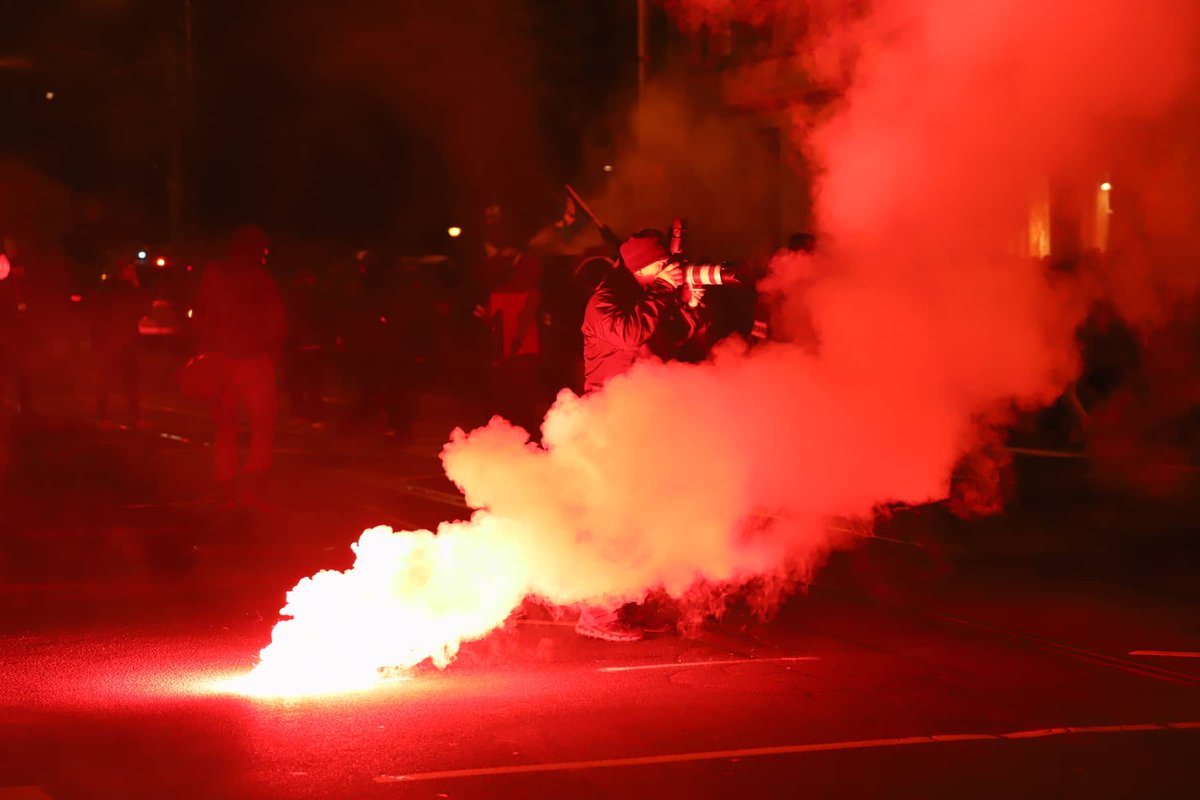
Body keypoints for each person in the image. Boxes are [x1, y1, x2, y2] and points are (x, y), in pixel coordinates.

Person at [574, 229, 699, 641]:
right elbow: (630, 333)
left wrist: (690, 306)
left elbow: (671, 342)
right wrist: (663, 290)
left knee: (641, 516)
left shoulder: (645, 295)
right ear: (642, 267)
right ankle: (596, 614)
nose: (668, 272)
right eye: (661, 266)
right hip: (610, 420)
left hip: (642, 418)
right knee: (611, 519)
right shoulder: (605, 299)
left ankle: (626, 603)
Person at [193, 225, 286, 508]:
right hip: (254, 359)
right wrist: (275, 356)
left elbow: (202, 313)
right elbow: (275, 321)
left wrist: (204, 351)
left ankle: (226, 484)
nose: (265, 255)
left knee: (226, 426)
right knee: (261, 426)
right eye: (263, 250)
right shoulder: (260, 279)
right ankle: (252, 483)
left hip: (222, 358)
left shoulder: (215, 274)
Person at [91, 263, 148, 429]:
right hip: (117, 338)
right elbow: (141, 310)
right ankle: (125, 416)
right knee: (124, 379)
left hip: (118, 339)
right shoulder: (121, 289)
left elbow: (141, 310)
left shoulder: (110, 287)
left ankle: (107, 416)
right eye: (129, 269)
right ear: (122, 271)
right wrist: (136, 287)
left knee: (116, 378)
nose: (132, 273)